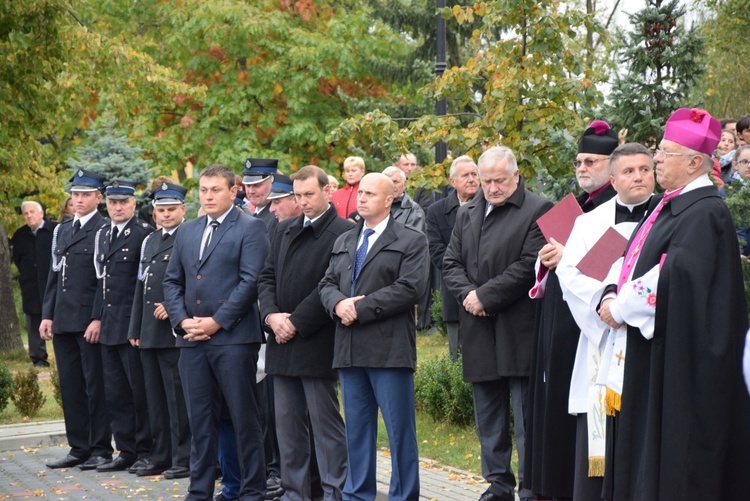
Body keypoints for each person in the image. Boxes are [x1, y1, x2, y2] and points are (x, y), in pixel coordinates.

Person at [597, 108, 750, 500]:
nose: (656, 159)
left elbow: (675, 276)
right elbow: (631, 258)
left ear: (695, 161)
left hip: (683, 364)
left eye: (666, 152)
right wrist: (611, 292)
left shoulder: (704, 211)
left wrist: (620, 307)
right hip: (648, 352)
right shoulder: (671, 204)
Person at [443, 146, 553, 501]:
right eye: (486, 180)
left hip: (517, 328)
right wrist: (470, 297)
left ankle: (531, 486)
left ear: (516, 176)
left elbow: (527, 267)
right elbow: (450, 263)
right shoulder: (468, 211)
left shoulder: (539, 209)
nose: (491, 188)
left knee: (525, 420)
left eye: (499, 180)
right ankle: (498, 484)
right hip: (478, 329)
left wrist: (485, 297)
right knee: (488, 418)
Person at [319, 173, 429, 500]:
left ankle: (403, 495)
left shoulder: (410, 240)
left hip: (389, 351)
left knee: (400, 435)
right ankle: (357, 495)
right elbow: (326, 284)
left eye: (370, 193)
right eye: (360, 192)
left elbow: (410, 288)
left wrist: (361, 308)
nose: (362, 198)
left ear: (388, 199)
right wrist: (338, 304)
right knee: (357, 434)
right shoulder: (344, 240)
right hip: (349, 350)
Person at [524, 120, 619, 500]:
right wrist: (547, 261)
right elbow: (558, 265)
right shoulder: (574, 207)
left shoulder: (619, 210)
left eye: (591, 162)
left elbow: (603, 271)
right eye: (579, 161)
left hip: (587, 328)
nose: (582, 168)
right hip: (556, 321)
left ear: (612, 165)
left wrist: (566, 259)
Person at [163, 163, 269, 501]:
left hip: (234, 339)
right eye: (203, 190)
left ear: (232, 191)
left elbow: (250, 282)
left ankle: (252, 491)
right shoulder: (188, 230)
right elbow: (172, 281)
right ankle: (199, 492)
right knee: (200, 423)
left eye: (215, 190)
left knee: (243, 420)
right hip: (192, 340)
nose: (208, 196)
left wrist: (216, 322)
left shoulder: (250, 228)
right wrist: (182, 321)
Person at [555, 143, 655, 501]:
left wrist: (631, 308)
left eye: (645, 169)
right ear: (612, 179)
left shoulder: (665, 215)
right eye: (629, 171)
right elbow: (570, 275)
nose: (639, 177)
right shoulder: (590, 223)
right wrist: (606, 304)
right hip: (601, 340)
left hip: (648, 340)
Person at [259, 165, 351, 500]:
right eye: (297, 196)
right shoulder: (283, 229)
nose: (303, 202)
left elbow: (332, 283)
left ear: (327, 191)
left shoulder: (344, 231)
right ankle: (294, 493)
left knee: (325, 426)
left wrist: (294, 322)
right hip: (281, 342)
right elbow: (266, 277)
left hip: (317, 342)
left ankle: (334, 492)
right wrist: (271, 316)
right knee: (288, 427)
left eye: (309, 194)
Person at [40, 169, 113, 470]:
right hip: (64, 318)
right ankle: (78, 446)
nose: (79, 199)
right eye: (76, 194)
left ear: (99, 198)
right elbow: (54, 275)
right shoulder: (62, 229)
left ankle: (100, 449)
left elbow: (104, 280)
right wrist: (47, 314)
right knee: (70, 385)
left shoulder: (104, 229)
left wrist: (97, 317)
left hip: (88, 322)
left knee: (94, 386)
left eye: (86, 194)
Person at [127, 182, 191, 478]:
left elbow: (195, 280)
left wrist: (173, 304)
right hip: (149, 330)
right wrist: (135, 326)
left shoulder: (189, 237)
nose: (165, 215)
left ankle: (183, 458)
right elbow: (141, 286)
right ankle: (161, 454)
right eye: (161, 210)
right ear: (154, 213)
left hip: (173, 331)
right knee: (154, 398)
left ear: (183, 209)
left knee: (176, 399)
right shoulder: (151, 241)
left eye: (171, 209)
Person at [92, 179, 154, 472]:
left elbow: (145, 287)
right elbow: (101, 282)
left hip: (132, 329)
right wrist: (97, 318)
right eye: (112, 202)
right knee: (115, 393)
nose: (117, 207)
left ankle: (145, 450)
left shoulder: (143, 234)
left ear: (133, 204)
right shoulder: (104, 234)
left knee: (138, 393)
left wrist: (138, 328)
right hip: (109, 327)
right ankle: (126, 450)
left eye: (123, 202)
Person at [425, 155, 479, 360]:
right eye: (465, 175)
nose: (472, 179)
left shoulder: (492, 206)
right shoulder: (437, 211)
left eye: (475, 174)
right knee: (456, 355)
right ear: (452, 181)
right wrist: (461, 274)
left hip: (487, 287)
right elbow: (437, 251)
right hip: (454, 290)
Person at [11, 201, 57, 367]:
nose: (29, 216)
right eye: (26, 213)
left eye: (32, 212)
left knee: (58, 318)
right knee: (34, 320)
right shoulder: (20, 235)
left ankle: (62, 355)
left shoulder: (55, 230)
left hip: (53, 283)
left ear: (41, 213)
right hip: (31, 285)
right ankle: (38, 359)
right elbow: (17, 259)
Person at [382, 166, 425, 232]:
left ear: (404, 185)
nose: (392, 185)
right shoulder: (374, 205)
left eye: (395, 182)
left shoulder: (414, 210)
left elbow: (414, 238)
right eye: (388, 182)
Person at [242, 157, 279, 234]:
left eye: (257, 185)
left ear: (273, 183)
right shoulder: (255, 214)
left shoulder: (277, 217)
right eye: (248, 185)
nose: (251, 191)